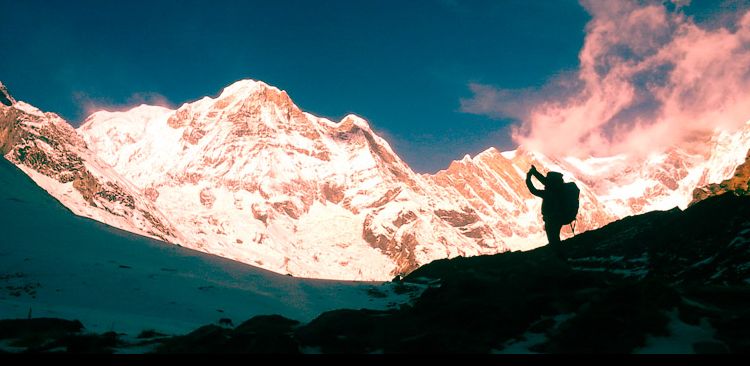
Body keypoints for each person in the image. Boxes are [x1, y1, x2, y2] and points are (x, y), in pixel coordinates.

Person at [526, 165, 567, 258]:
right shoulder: (558, 190)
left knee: (553, 239)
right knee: (555, 237)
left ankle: (559, 258)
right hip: (558, 217)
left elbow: (533, 190)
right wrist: (535, 172)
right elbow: (544, 181)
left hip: (551, 218)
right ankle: (560, 256)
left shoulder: (548, 193)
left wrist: (528, 178)